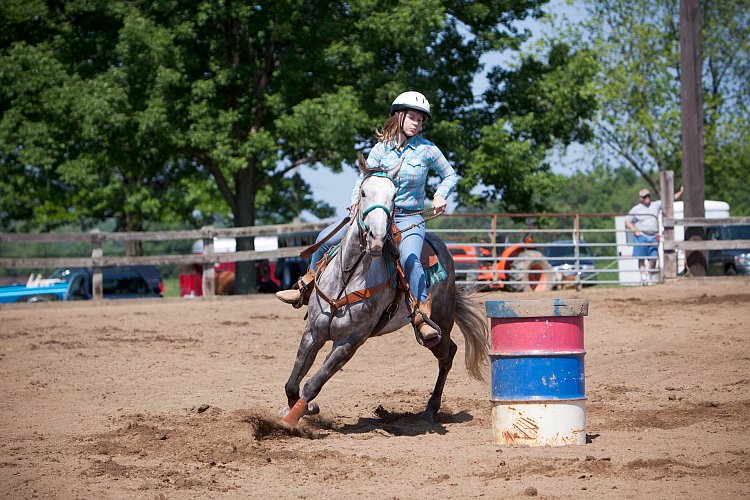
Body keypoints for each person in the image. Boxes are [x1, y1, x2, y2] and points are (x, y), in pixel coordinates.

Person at [276, 91, 458, 341]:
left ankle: (421, 315)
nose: (417, 123)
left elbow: (450, 175)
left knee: (410, 258)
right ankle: (305, 286)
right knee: (325, 238)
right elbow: (363, 179)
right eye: (413, 117)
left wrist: (440, 195)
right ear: (399, 116)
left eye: (421, 119)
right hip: (374, 215)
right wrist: (354, 203)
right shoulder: (380, 149)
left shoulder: (427, 150)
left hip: (409, 218)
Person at [625, 186, 682, 284]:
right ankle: (643, 277)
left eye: (648, 196)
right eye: (644, 197)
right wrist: (635, 231)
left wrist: (681, 191)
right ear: (641, 198)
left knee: (653, 258)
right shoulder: (636, 209)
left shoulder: (655, 205)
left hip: (653, 236)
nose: (647, 198)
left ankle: (649, 276)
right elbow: (627, 221)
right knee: (641, 258)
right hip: (642, 236)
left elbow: (670, 199)